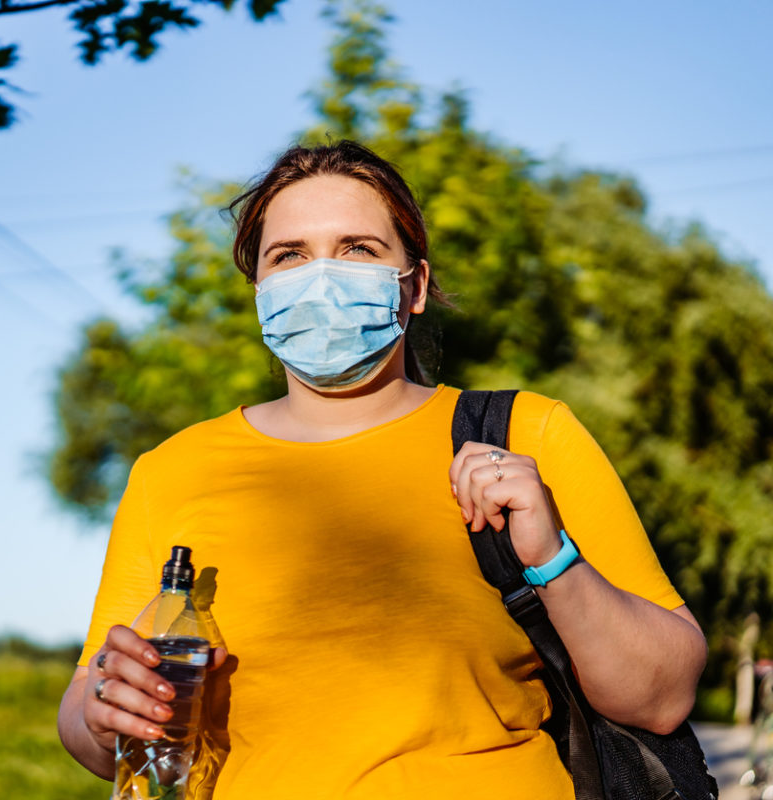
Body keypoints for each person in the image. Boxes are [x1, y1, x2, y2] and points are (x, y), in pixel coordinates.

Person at [57, 140, 707, 798]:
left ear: (415, 286)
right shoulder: (172, 471)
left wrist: (553, 561)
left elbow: (662, 697)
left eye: (357, 249)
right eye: (290, 255)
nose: (321, 276)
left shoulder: (526, 434)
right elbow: (89, 721)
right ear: (259, 290)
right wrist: (104, 711)